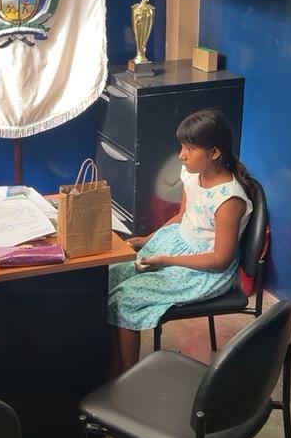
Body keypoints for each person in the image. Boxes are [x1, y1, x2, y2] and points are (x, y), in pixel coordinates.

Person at [108, 108, 253, 375]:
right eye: (182, 147)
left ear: (214, 153)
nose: (181, 155)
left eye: (189, 149)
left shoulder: (229, 199)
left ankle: (125, 377)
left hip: (204, 272)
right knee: (109, 276)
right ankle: (108, 364)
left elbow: (220, 259)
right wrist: (148, 239)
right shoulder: (193, 175)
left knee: (126, 299)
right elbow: (182, 216)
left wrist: (166, 259)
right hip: (176, 244)